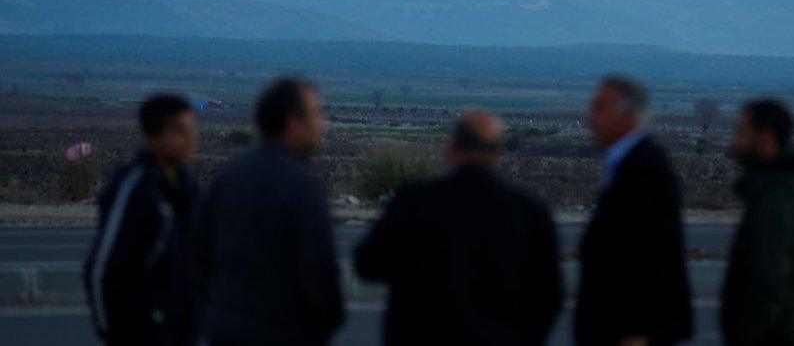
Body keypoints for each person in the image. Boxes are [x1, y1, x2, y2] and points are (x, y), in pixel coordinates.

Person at [355, 110, 563, 346]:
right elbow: (549, 296)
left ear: (452, 148)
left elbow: (367, 263)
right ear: (496, 154)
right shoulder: (530, 212)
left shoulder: (413, 202)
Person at [193, 78, 344, 346]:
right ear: (292, 122)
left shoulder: (228, 175)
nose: (323, 124)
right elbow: (320, 272)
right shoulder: (303, 186)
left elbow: (198, 254)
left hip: (223, 328)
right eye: (317, 114)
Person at [574, 76, 693, 346]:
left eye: (599, 108)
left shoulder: (645, 170)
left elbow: (653, 255)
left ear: (627, 115)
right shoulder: (625, 164)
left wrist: (638, 330)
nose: (590, 117)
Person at [84, 94, 200, 346]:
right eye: (179, 131)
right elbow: (102, 269)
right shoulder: (135, 190)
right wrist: (114, 333)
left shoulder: (187, 188)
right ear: (153, 136)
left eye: (191, 130)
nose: (190, 139)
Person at [721, 100, 794, 346]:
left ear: (766, 136)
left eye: (740, 132)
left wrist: (747, 333)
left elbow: (770, 279)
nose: (733, 142)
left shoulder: (780, 198)